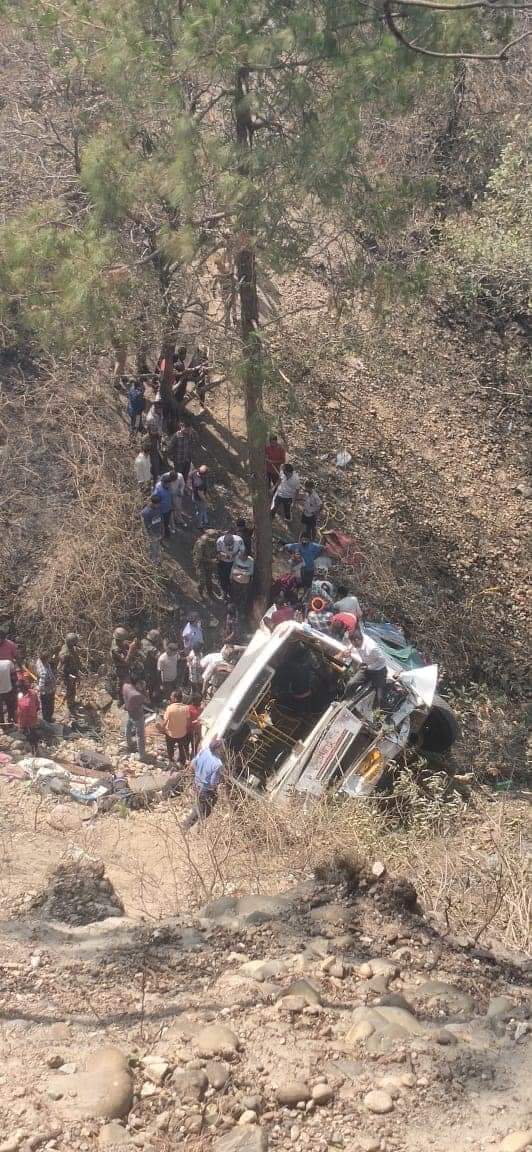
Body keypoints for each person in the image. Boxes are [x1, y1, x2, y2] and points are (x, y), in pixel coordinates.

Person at [182, 739, 225, 829]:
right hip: (205, 790)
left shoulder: (205, 751)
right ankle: (187, 826)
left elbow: (193, 763)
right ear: (218, 749)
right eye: (222, 747)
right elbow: (213, 783)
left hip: (196, 783)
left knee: (199, 805)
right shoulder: (218, 764)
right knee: (204, 810)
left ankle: (191, 825)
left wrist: (199, 773)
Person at [348, 630, 388, 706]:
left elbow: (382, 661)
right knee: (351, 684)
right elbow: (352, 645)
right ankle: (347, 699)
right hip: (366, 667)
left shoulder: (371, 648)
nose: (353, 645)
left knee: (380, 697)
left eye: (353, 643)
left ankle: (384, 711)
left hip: (379, 671)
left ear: (357, 640)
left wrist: (369, 667)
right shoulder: (359, 638)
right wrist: (349, 649)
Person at [161, 689, 191, 764]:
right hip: (182, 734)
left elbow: (165, 722)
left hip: (171, 734)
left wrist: (161, 728)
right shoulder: (186, 708)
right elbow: (188, 721)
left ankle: (171, 761)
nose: (170, 697)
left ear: (175, 699)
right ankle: (182, 763)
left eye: (171, 696)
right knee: (182, 749)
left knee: (170, 749)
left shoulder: (170, 708)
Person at [122, 675, 148, 760]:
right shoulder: (137, 695)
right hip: (138, 715)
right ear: (137, 684)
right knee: (140, 735)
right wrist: (144, 690)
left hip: (129, 711)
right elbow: (147, 701)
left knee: (128, 727)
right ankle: (142, 755)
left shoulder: (125, 686)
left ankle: (129, 743)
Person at [216, 531, 244, 598]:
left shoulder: (239, 540)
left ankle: (232, 592)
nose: (229, 547)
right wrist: (224, 555)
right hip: (223, 561)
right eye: (227, 546)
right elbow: (218, 551)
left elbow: (242, 551)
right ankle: (224, 592)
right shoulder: (219, 541)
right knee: (223, 577)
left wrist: (235, 555)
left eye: (230, 545)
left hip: (234, 561)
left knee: (233, 578)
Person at [58, 633, 81, 712]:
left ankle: (72, 702)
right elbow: (62, 660)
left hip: (72, 671)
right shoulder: (65, 652)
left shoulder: (70, 647)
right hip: (68, 673)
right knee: (70, 689)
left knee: (73, 688)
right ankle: (69, 706)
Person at [192, 529, 218, 597]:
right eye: (213, 538)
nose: (215, 539)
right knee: (202, 580)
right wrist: (211, 560)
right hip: (201, 563)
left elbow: (214, 550)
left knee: (209, 578)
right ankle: (200, 593)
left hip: (209, 561)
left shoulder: (212, 541)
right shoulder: (201, 544)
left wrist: (219, 554)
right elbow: (199, 557)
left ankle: (210, 592)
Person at [16, 680, 40, 754]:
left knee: (30, 735)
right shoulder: (32, 692)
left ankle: (34, 751)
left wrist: (20, 725)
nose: (17, 689)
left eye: (18, 688)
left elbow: (22, 713)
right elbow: (37, 704)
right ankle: (35, 749)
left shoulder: (24, 700)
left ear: (22, 688)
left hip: (27, 720)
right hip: (32, 717)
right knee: (32, 733)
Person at [141, 493, 163, 564]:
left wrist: (163, 530)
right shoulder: (146, 513)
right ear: (153, 503)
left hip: (158, 531)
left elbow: (161, 519)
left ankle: (156, 559)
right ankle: (152, 563)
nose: (159, 505)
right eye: (158, 504)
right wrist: (151, 536)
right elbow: (146, 526)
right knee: (152, 548)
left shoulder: (158, 508)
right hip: (152, 534)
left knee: (157, 547)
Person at [35, 651, 56, 722]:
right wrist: (40, 688)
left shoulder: (40, 661)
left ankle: (47, 718)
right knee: (48, 706)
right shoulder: (44, 672)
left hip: (49, 689)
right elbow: (41, 686)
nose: (50, 659)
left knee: (46, 706)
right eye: (49, 658)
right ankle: (47, 719)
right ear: (46, 659)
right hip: (47, 692)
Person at [189, 464, 210, 528]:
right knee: (201, 511)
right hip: (200, 499)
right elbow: (200, 494)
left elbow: (189, 477)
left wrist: (191, 487)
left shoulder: (194, 472)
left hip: (194, 496)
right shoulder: (201, 483)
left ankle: (205, 520)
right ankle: (199, 525)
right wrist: (206, 501)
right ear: (203, 474)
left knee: (198, 509)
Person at [153, 474, 173, 538]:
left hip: (168, 508)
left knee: (166, 522)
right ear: (163, 483)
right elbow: (155, 500)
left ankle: (166, 531)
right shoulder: (158, 489)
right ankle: (164, 535)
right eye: (167, 484)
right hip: (162, 511)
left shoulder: (169, 486)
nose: (169, 485)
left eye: (169, 484)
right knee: (163, 524)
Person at [0, 656, 17, 726]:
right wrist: (14, 689)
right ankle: (10, 722)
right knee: (10, 707)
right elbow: (14, 677)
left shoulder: (8, 663)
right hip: (8, 689)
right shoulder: (9, 663)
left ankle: (2, 724)